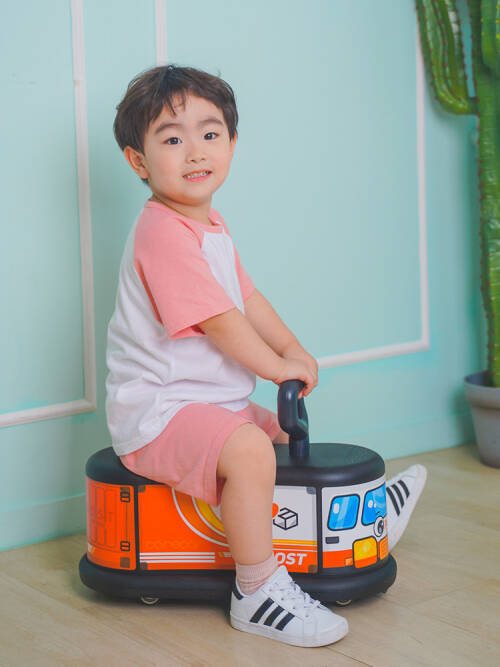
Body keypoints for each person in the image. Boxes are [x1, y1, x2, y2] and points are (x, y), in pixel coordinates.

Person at [105, 64, 426, 648]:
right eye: (172, 140)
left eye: (210, 134)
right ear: (138, 161)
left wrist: (290, 346)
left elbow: (246, 298)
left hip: (206, 404)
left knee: (280, 433)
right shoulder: (162, 232)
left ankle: (359, 522)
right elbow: (219, 320)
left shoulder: (210, 225)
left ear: (231, 143)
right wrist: (275, 368)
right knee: (253, 450)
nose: (195, 151)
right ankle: (256, 590)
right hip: (158, 414)